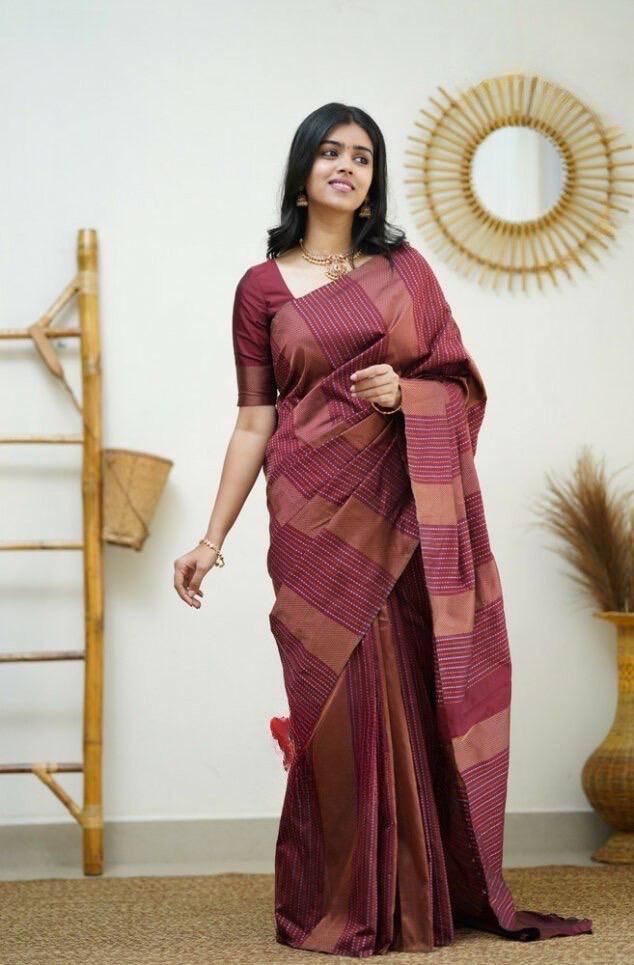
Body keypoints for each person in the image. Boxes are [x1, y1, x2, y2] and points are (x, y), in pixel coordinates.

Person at [173, 103, 593, 957]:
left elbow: (461, 385)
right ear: (302, 173)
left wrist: (410, 395)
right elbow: (254, 419)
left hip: (398, 513)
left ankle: (409, 898)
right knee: (330, 706)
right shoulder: (261, 287)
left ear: (372, 182)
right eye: (330, 152)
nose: (346, 166)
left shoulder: (406, 272)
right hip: (310, 512)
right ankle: (339, 896)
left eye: (361, 157)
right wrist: (211, 539)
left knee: (401, 692)